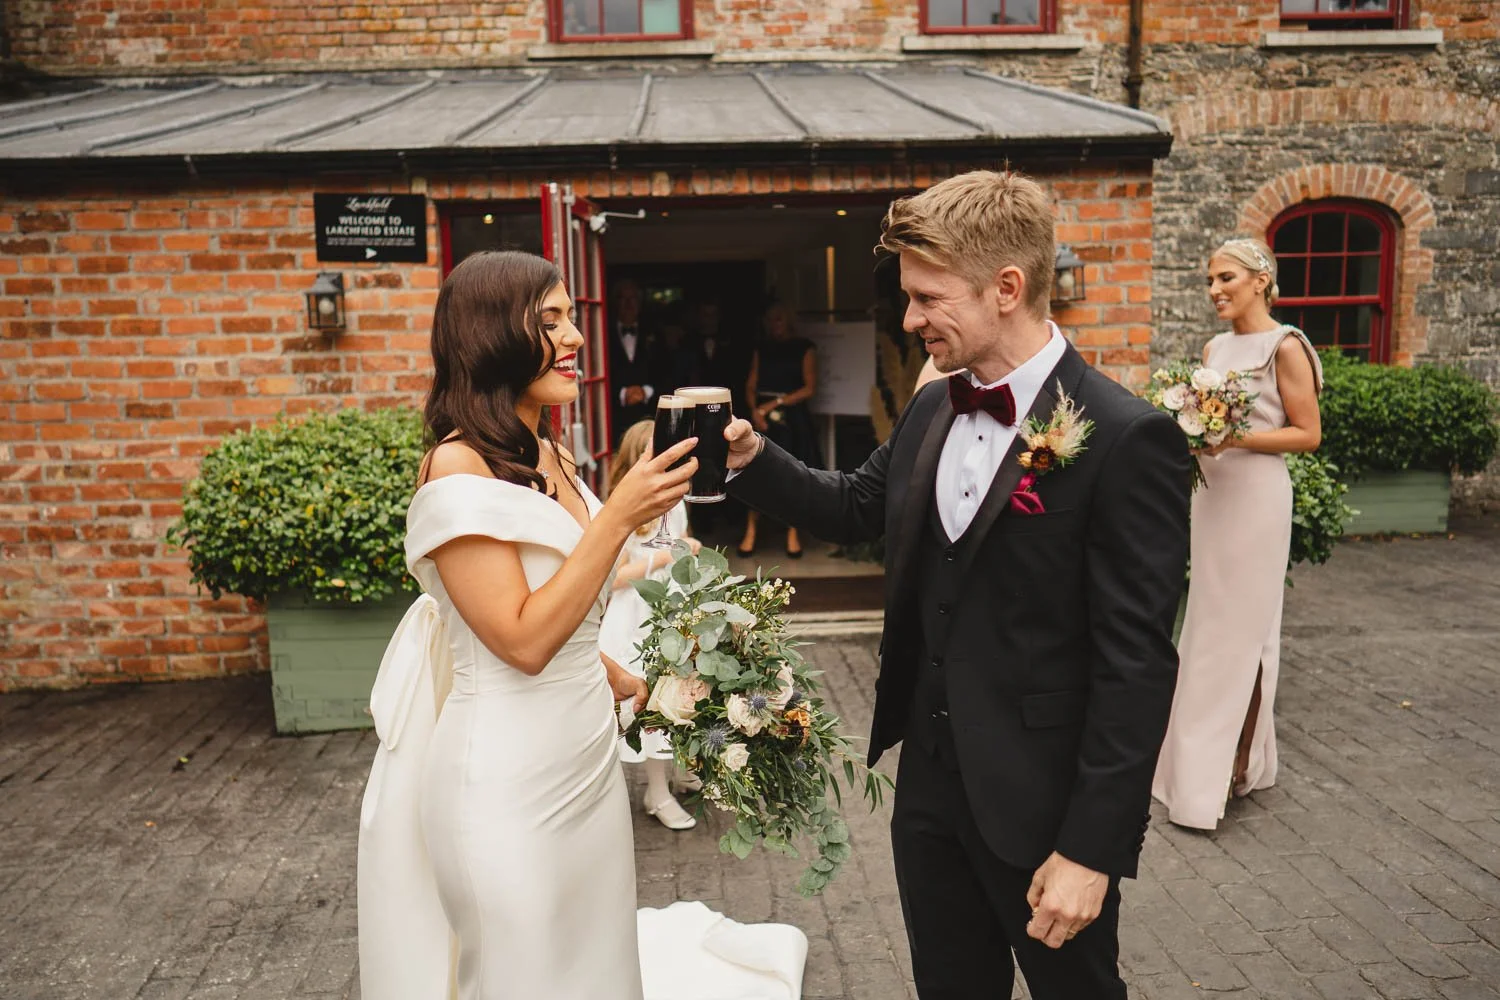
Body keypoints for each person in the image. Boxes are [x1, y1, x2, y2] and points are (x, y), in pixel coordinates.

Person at [722, 171, 1192, 999]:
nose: (908, 319)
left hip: (1045, 808)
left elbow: (1138, 667)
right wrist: (751, 459)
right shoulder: (935, 404)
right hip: (931, 793)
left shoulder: (1126, 439)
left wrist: (1090, 849)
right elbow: (857, 503)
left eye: (927, 297)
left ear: (1006, 288)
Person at [357, 251, 810, 1000]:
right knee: (522, 969)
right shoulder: (455, 470)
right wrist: (624, 515)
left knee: (594, 962)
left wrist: (629, 681)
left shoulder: (552, 454)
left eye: (571, 318)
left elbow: (563, 609)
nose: (573, 337)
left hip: (585, 762)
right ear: (489, 337)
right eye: (549, 322)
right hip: (502, 777)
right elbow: (522, 640)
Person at [1152, 237, 1323, 831]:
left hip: (1256, 498)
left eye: (1226, 277)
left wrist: (1233, 438)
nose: (1216, 290)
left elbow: (1307, 434)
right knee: (1203, 624)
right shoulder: (1216, 346)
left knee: (1245, 633)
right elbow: (1201, 426)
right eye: (1209, 281)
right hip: (1213, 496)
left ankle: (1234, 761)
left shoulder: (1287, 346)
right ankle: (1196, 763)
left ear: (1260, 279)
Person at [601, 418, 702, 831]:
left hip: (673, 609)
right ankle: (655, 791)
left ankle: (679, 771)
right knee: (652, 698)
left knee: (683, 691)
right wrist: (665, 557)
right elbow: (615, 577)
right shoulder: (625, 511)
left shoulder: (676, 502)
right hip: (637, 615)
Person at [737, 303, 820, 558]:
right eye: (771, 320)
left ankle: (792, 530)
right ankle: (750, 530)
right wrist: (754, 411)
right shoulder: (761, 348)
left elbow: (809, 388)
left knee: (792, 474)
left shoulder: (804, 347)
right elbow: (751, 383)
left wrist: (776, 404)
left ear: (789, 321)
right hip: (762, 416)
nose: (775, 325)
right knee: (753, 473)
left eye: (779, 320)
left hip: (792, 418)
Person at [609, 278, 661, 444]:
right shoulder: (601, 332)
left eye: (633, 298)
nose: (628, 304)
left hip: (650, 418)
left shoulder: (655, 332)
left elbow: (667, 371)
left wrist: (646, 391)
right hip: (614, 420)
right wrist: (623, 394)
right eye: (623, 299)